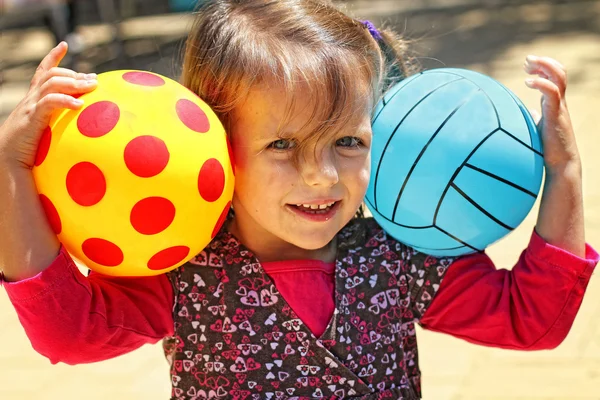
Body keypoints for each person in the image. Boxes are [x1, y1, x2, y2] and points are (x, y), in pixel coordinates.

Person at [0, 1, 597, 399]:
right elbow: (68, 332)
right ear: (217, 140)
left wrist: (564, 170)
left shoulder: (402, 256)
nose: (321, 176)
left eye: (347, 141)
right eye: (282, 144)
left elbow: (532, 320)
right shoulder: (182, 272)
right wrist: (12, 169)